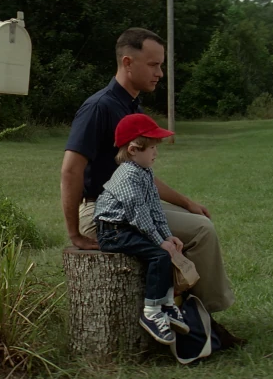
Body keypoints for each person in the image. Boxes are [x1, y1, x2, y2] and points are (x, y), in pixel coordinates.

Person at [60, 27, 238, 322]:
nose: (160, 73)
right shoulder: (99, 107)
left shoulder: (130, 106)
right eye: (153, 65)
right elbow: (70, 170)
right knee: (202, 232)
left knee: (199, 221)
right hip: (102, 214)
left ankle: (189, 314)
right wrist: (74, 233)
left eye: (161, 65)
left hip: (128, 205)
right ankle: (204, 317)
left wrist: (186, 202)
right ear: (128, 62)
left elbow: (140, 175)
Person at [93, 113, 189, 344]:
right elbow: (139, 214)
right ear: (134, 149)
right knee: (159, 256)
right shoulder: (127, 176)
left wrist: (168, 235)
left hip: (128, 228)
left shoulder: (144, 172)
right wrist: (160, 242)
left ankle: (166, 305)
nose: (156, 153)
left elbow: (155, 208)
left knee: (165, 252)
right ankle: (151, 313)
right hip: (113, 232)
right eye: (152, 148)